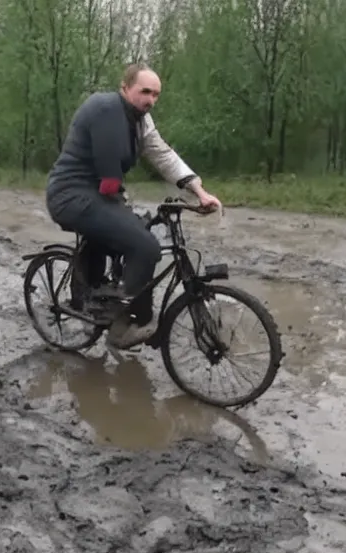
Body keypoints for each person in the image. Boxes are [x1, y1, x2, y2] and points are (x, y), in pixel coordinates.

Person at [45, 63, 221, 350]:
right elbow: (109, 171)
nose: (150, 100)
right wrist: (119, 203)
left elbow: (163, 155)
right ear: (125, 88)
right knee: (146, 247)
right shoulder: (106, 109)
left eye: (156, 94)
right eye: (145, 92)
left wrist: (199, 191)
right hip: (71, 194)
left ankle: (107, 295)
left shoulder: (140, 121)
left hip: (98, 195)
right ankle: (121, 325)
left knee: (137, 232)